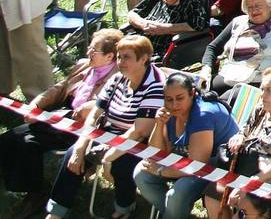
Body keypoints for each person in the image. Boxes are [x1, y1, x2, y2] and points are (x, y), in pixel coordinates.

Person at [0, 29, 120, 214]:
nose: (88, 52)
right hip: (62, 117)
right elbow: (60, 88)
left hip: (82, 128)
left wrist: (84, 110)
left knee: (27, 144)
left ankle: (36, 193)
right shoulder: (83, 65)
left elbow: (103, 109)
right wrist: (36, 104)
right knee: (9, 138)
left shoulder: (118, 78)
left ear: (109, 56)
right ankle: (22, 185)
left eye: (93, 50)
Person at [44, 35, 163, 219]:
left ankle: (125, 206)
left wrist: (108, 157)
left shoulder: (155, 85)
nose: (121, 62)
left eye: (127, 57)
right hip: (109, 134)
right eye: (119, 57)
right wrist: (80, 147)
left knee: (120, 164)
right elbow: (94, 115)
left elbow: (140, 131)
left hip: (139, 143)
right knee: (72, 155)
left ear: (144, 58)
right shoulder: (117, 78)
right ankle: (56, 212)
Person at [203, 66, 271, 219]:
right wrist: (239, 137)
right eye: (262, 89)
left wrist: (249, 185)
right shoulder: (261, 109)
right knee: (213, 193)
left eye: (269, 90)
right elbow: (244, 131)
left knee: (245, 202)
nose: (262, 95)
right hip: (247, 167)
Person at [133, 72, 240, 219]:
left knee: (177, 194)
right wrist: (159, 125)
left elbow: (197, 166)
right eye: (169, 99)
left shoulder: (203, 114)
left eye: (180, 98)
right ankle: (172, 213)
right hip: (189, 160)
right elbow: (156, 153)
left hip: (218, 166)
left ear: (192, 94)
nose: (174, 104)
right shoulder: (170, 111)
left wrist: (161, 171)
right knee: (141, 174)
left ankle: (173, 213)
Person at [199, 0, 271, 93]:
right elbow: (213, 47)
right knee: (196, 93)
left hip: (260, 81)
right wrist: (206, 69)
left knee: (228, 99)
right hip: (228, 75)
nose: (253, 10)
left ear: (270, 4)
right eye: (249, 7)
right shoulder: (238, 22)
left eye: (258, 6)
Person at [125, 0, 211, 64]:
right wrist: (143, 24)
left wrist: (164, 29)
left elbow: (198, 25)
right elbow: (133, 13)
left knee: (128, 59)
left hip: (163, 50)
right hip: (139, 42)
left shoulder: (190, 0)